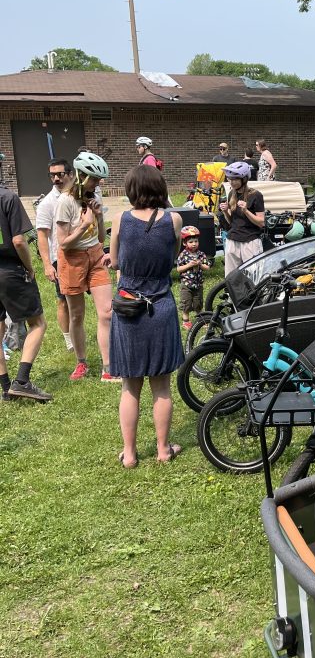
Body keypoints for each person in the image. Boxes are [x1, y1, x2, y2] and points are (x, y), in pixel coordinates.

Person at [109, 165, 185, 466]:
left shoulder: (120, 219)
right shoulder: (174, 220)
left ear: (131, 190)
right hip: (161, 306)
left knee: (130, 385)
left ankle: (129, 454)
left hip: (129, 307)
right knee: (161, 385)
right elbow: (173, 256)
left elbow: (115, 262)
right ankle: (163, 450)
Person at [55, 150, 117, 382]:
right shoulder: (65, 202)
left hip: (96, 256)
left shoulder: (93, 198)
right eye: (94, 179)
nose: (97, 184)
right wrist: (83, 226)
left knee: (107, 313)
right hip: (72, 259)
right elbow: (63, 243)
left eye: (99, 181)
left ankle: (108, 368)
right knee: (77, 315)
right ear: (80, 176)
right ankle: (81, 363)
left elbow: (100, 239)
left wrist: (98, 217)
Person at [0, 184, 52, 401]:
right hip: (10, 270)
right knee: (37, 323)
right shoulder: (8, 197)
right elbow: (19, 241)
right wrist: (29, 267)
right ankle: (22, 381)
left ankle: (5, 388)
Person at [35, 158, 74, 351]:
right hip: (61, 260)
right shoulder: (46, 204)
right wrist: (48, 264)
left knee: (78, 300)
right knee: (63, 301)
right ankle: (69, 339)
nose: (56, 178)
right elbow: (42, 236)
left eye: (60, 174)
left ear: (70, 174)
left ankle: (78, 332)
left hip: (82, 255)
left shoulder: (78, 196)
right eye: (52, 175)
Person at [220, 161, 266, 275]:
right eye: (230, 179)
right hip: (233, 240)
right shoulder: (232, 194)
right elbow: (232, 222)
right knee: (231, 277)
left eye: (235, 179)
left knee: (253, 277)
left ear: (244, 179)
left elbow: (261, 222)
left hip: (250, 241)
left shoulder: (256, 195)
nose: (232, 182)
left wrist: (246, 211)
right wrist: (226, 211)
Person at [176, 226, 210, 329]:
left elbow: (207, 267)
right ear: (184, 243)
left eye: (196, 241)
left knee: (198, 303)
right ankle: (186, 321)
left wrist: (200, 264)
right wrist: (189, 265)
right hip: (186, 285)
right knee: (186, 304)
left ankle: (202, 320)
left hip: (198, 284)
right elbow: (178, 269)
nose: (194, 244)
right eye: (191, 242)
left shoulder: (201, 254)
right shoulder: (183, 255)